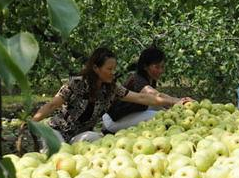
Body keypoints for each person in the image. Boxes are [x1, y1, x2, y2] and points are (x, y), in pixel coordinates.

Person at [31, 46, 190, 145]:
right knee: (57, 155)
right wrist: (33, 121)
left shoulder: (111, 88)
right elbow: (53, 104)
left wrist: (176, 102)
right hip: (57, 131)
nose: (113, 73)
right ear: (96, 68)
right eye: (109, 69)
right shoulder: (76, 83)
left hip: (78, 135)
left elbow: (141, 97)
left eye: (114, 69)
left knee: (97, 141)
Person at [103, 47, 188, 133]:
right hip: (114, 120)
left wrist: (179, 104)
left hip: (129, 112)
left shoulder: (150, 79)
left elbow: (159, 97)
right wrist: (180, 101)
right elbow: (156, 96)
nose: (161, 70)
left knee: (163, 109)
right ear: (145, 66)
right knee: (160, 116)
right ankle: (109, 131)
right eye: (157, 67)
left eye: (162, 67)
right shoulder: (137, 80)